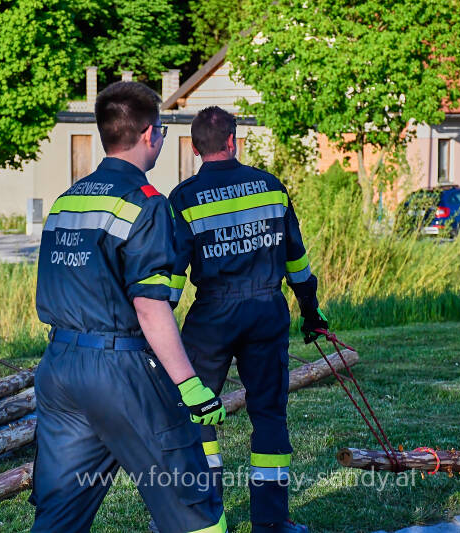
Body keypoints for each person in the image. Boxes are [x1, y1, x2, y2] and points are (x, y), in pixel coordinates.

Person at [31, 82, 227, 533]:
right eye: (161, 130)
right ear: (149, 134)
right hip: (119, 370)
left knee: (60, 512)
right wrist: (191, 387)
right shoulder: (146, 203)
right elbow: (150, 306)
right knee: (191, 501)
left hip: (58, 368)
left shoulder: (68, 200)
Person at [167, 106, 328, 533]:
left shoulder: (183, 198)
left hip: (211, 318)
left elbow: (172, 279)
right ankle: (271, 523)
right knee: (269, 414)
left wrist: (154, 327)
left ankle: (204, 519)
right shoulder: (271, 187)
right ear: (233, 140)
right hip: (266, 312)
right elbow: (297, 261)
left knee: (197, 415)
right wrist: (312, 313)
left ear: (195, 148)